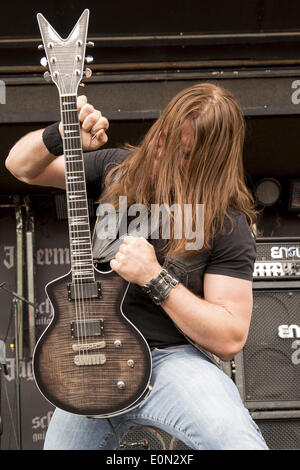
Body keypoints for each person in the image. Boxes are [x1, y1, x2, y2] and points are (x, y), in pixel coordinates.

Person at [5, 83, 268, 450]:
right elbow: (20, 167)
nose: (161, 151)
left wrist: (154, 277)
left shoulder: (226, 221)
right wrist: (59, 134)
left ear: (209, 160)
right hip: (90, 361)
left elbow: (229, 337)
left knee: (238, 443)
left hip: (169, 361)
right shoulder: (114, 170)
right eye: (163, 137)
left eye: (183, 151)